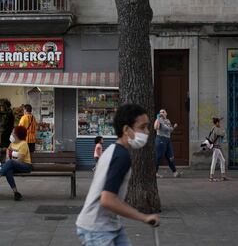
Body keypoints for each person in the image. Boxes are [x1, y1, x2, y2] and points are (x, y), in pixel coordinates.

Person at [76, 104, 160, 245]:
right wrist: (144, 217)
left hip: (109, 224)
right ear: (126, 129)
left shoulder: (113, 150)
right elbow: (107, 200)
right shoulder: (121, 157)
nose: (147, 132)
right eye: (142, 127)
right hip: (97, 228)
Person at [0, 126, 32, 201]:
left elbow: (20, 160)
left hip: (25, 166)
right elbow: (8, 149)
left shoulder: (23, 144)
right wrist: (7, 157)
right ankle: (16, 193)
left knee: (10, 163)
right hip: (15, 165)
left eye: (13, 132)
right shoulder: (12, 143)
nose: (11, 134)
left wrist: (9, 162)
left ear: (17, 134)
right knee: (8, 170)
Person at [154, 109, 181, 178]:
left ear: (166, 113)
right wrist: (158, 118)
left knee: (170, 157)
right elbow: (156, 127)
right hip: (160, 139)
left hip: (167, 140)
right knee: (159, 157)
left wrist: (174, 127)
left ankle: (175, 172)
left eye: (163, 112)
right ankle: (155, 172)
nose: (162, 113)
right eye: (160, 112)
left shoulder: (167, 121)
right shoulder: (158, 120)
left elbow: (170, 130)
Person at [208, 117, 229, 182]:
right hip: (216, 147)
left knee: (223, 160)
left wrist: (218, 121)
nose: (220, 123)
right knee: (214, 161)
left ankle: (223, 176)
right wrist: (223, 130)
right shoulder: (216, 129)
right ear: (217, 123)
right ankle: (211, 177)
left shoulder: (213, 128)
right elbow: (223, 134)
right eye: (219, 122)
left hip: (216, 147)